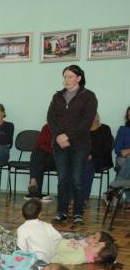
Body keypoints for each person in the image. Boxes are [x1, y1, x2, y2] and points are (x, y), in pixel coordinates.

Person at [47, 65, 98, 225]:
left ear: (78, 78)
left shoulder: (89, 96)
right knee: (62, 179)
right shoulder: (57, 96)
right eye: (65, 77)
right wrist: (58, 136)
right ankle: (62, 212)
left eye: (70, 77)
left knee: (77, 179)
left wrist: (67, 135)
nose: (66, 80)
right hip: (60, 144)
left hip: (80, 145)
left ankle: (77, 213)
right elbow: (50, 118)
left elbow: (86, 121)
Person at [81, 114, 114, 200]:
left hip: (101, 158)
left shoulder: (105, 128)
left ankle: (83, 198)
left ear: (97, 117)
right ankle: (71, 197)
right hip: (85, 158)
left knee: (88, 166)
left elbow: (107, 147)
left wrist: (92, 155)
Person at [25, 124, 56, 201]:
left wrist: (48, 149)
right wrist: (50, 149)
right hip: (46, 157)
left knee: (38, 159)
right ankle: (35, 191)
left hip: (59, 159)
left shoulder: (68, 127)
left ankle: (33, 185)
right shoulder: (47, 127)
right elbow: (39, 144)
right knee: (37, 154)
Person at [110, 106, 130, 191]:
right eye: (129, 115)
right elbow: (117, 148)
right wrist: (125, 153)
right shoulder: (123, 129)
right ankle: (128, 201)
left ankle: (115, 186)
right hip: (122, 158)